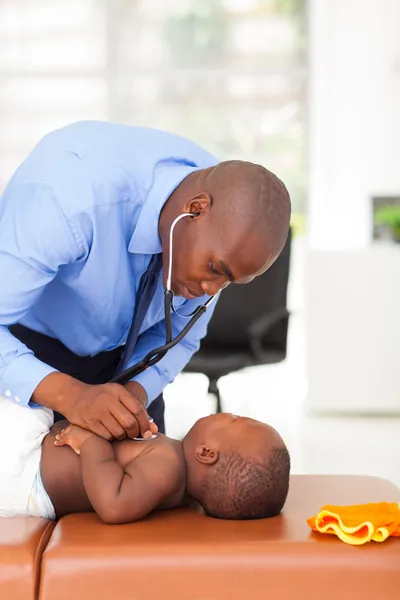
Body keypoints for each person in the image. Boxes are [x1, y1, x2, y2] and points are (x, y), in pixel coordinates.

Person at [0, 121, 291, 437]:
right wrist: (70, 395)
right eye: (214, 269)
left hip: (127, 359)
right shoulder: (68, 201)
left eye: (228, 281)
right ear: (194, 209)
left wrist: (133, 397)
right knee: (34, 479)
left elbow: (184, 336)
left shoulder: (225, 221)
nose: (211, 290)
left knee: (151, 477)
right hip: (24, 347)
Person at [0, 394, 291, 523]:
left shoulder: (166, 468)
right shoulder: (173, 470)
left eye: (235, 419)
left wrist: (92, 444)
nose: (228, 413)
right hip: (31, 450)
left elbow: (113, 505)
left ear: (206, 454)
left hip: (24, 473)